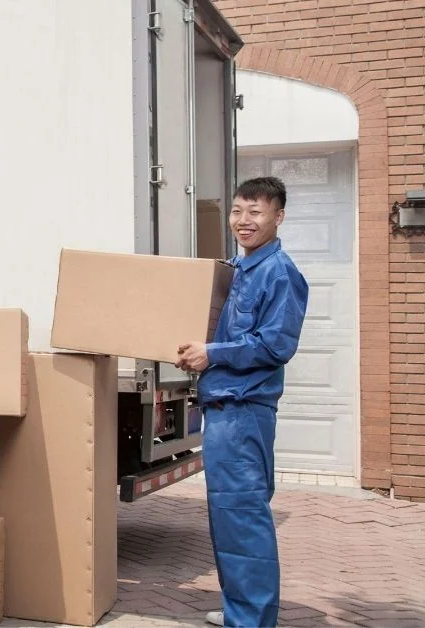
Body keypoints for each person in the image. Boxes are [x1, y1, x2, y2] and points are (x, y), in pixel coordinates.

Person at [174, 177, 308, 628]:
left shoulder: (280, 273)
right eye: (237, 211)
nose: (243, 220)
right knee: (228, 518)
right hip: (223, 409)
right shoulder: (235, 268)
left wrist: (212, 354)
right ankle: (241, 610)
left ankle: (251, 620)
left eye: (255, 212)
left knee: (243, 516)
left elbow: (276, 345)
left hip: (244, 411)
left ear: (278, 217)